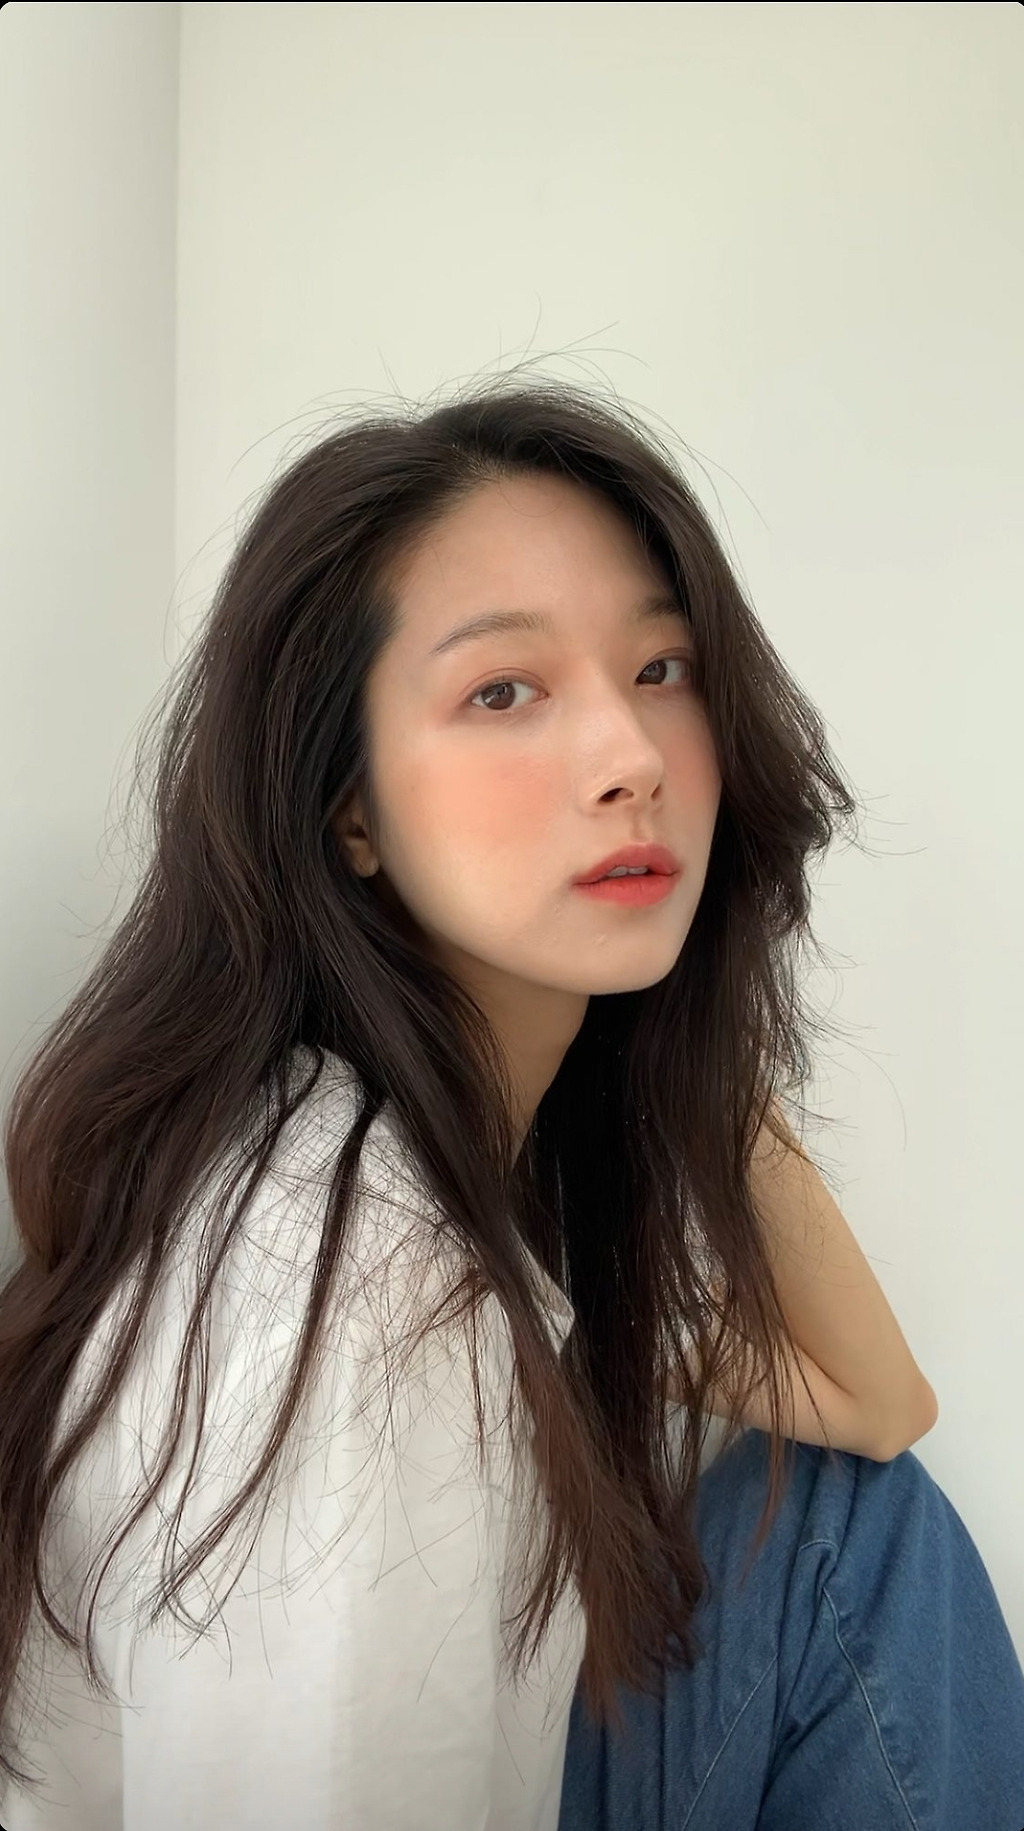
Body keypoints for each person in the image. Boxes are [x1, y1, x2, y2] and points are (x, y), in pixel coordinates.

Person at [0, 377, 1021, 1830]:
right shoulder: (359, 1292)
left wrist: (686, 1016)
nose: (632, 760)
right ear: (349, 808)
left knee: (845, 1525)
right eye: (503, 692)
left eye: (662, 669)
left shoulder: (457, 1153)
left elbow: (875, 1405)